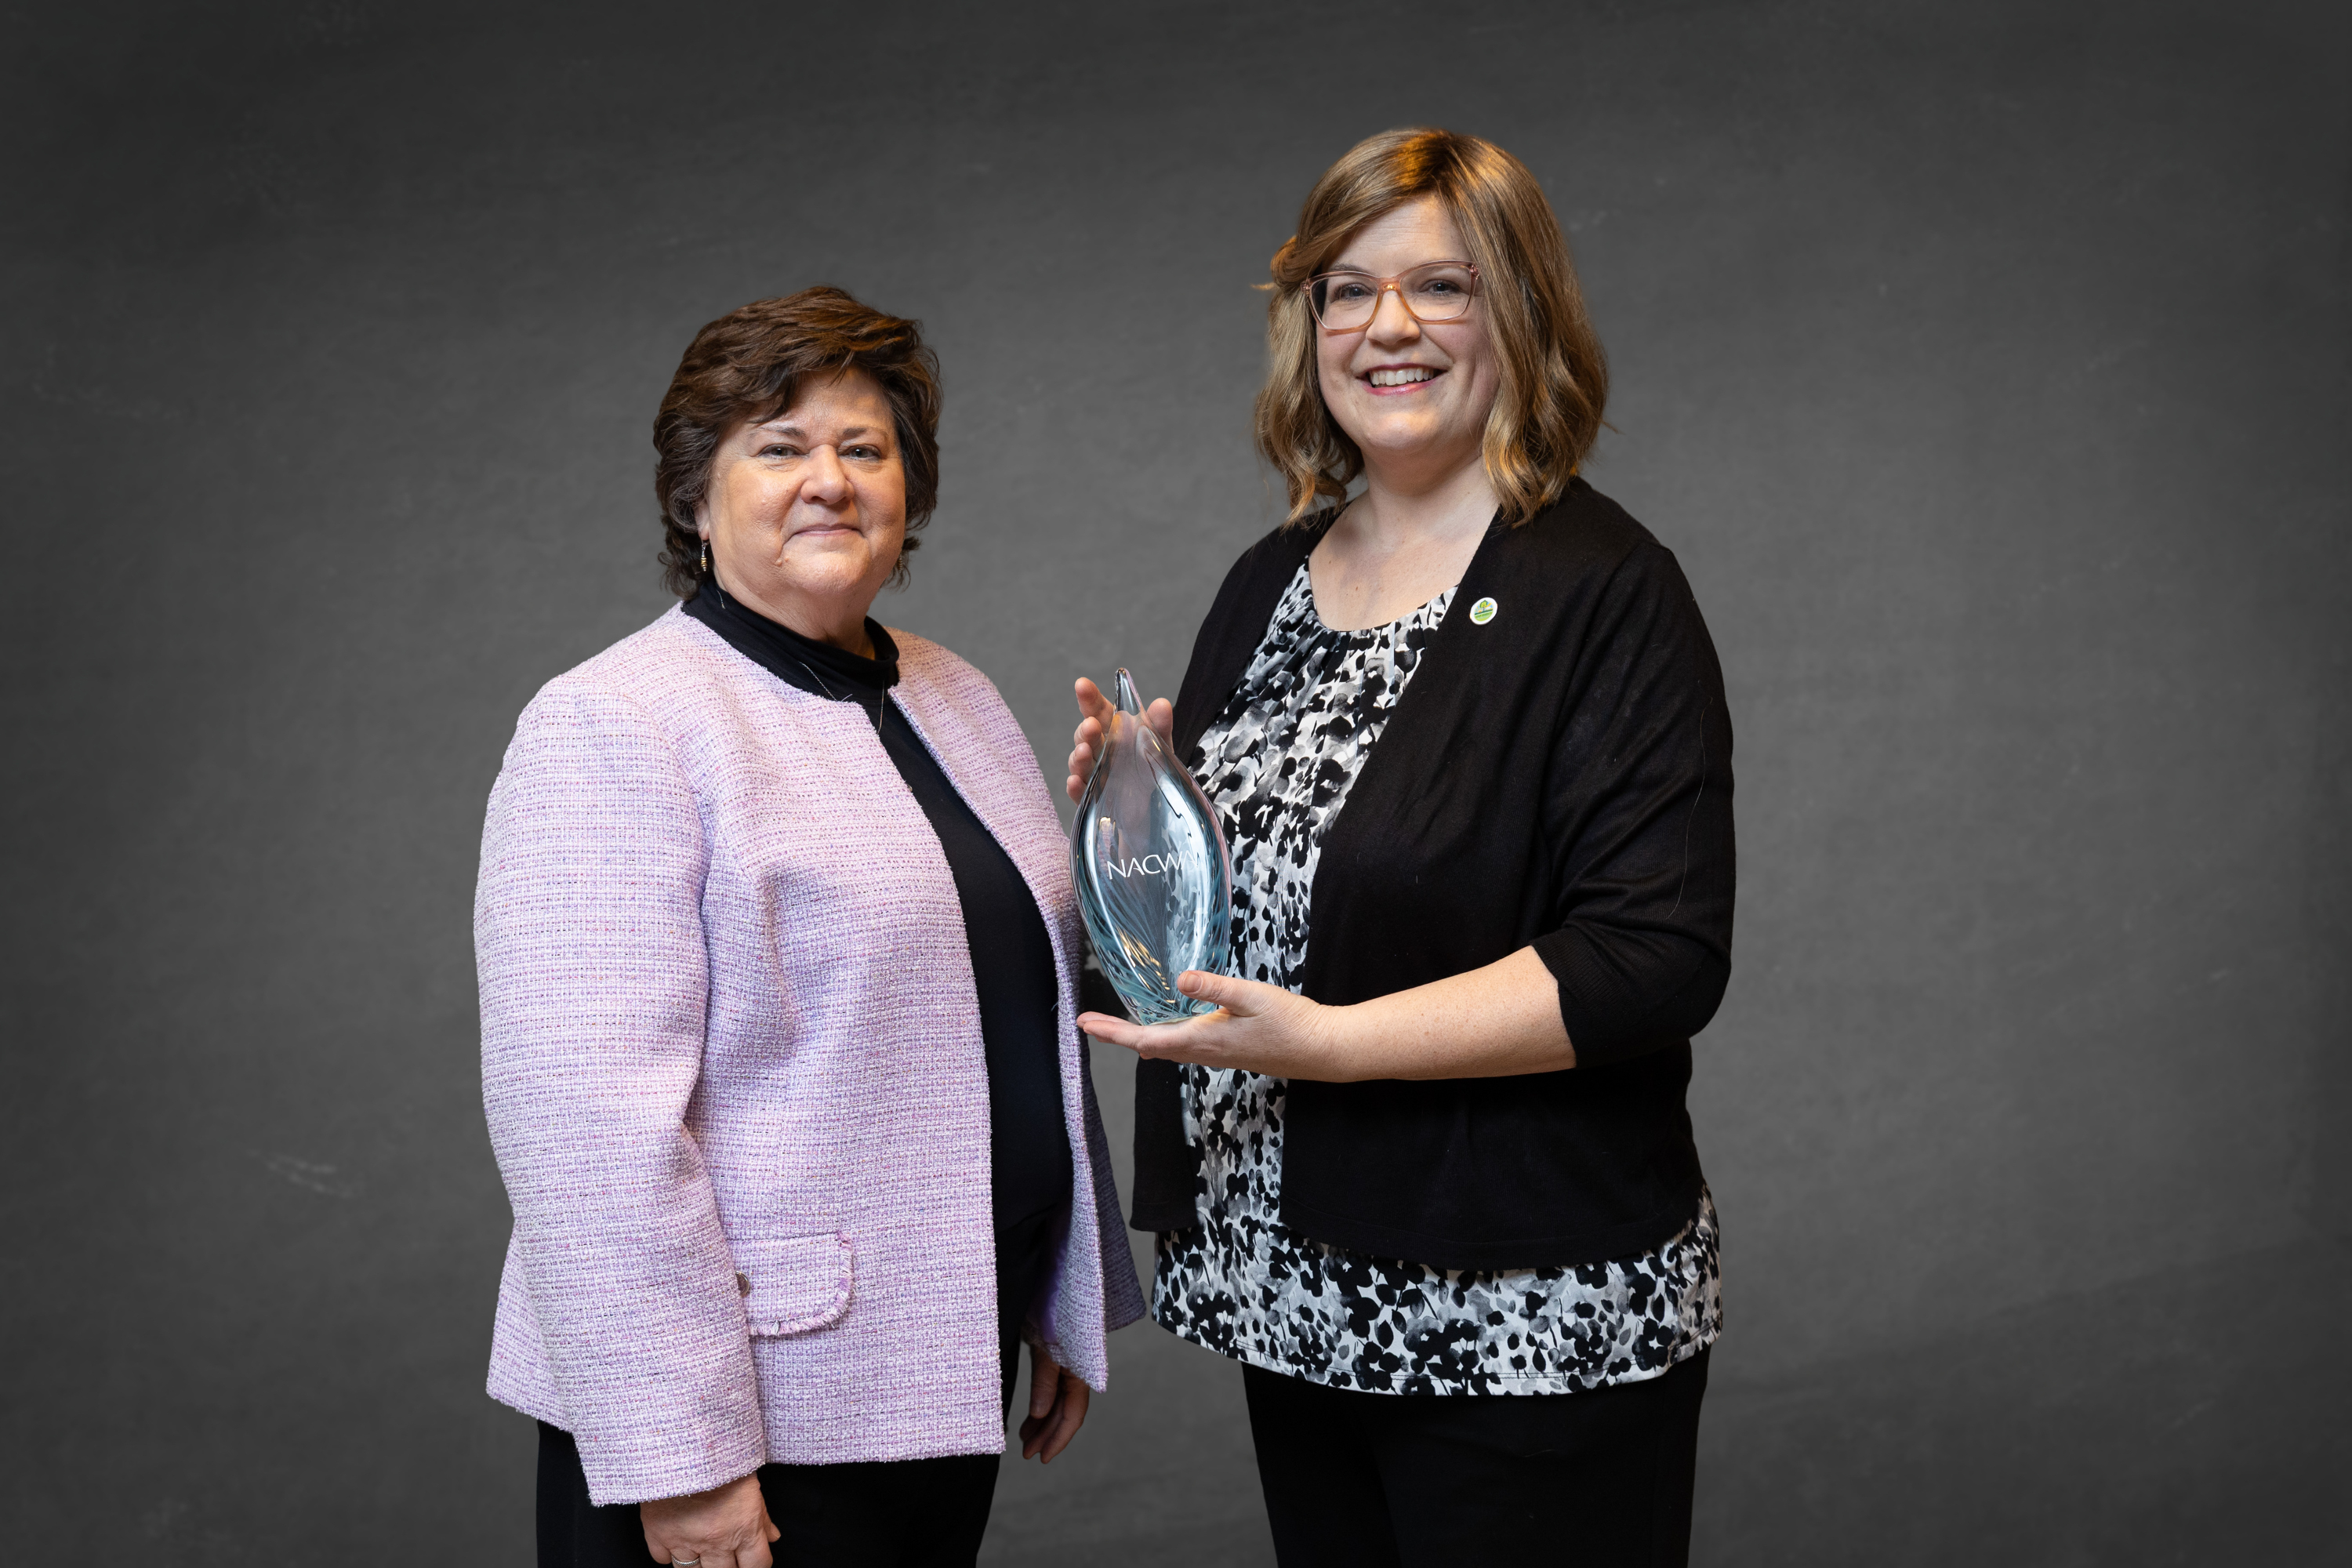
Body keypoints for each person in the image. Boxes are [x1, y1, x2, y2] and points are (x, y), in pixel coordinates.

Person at [1067, 129, 1735, 1566]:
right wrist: (1133, 826)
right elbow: (1235, 928)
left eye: (1443, 285)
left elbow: (1652, 957)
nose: (1388, 327)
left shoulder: (1605, 590)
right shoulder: (1272, 582)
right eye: (1347, 289)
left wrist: (1337, 1047)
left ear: (1521, 311)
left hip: (1525, 1318)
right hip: (1294, 1299)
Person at [479, 286, 1144, 1568]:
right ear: (696, 496)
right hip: (748, 1409)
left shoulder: (953, 692)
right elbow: (586, 1137)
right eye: (779, 447)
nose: (828, 480)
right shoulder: (616, 723)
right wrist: (684, 1455)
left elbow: (1016, 1001)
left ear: (909, 489)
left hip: (942, 1355)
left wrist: (1144, 838)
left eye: (864, 448)